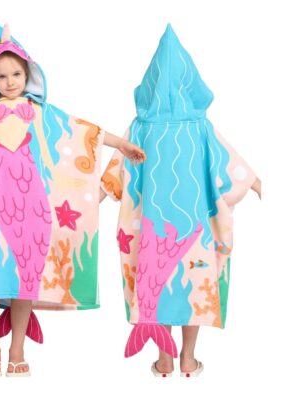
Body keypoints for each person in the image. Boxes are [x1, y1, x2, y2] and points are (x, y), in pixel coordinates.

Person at [0, 23, 146, 378]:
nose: (10, 82)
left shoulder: (39, 112)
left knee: (25, 276)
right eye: (1, 77)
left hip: (32, 208)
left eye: (16, 74)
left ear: (28, 74)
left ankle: (17, 347)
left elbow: (83, 130)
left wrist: (122, 144)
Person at [99, 24, 261, 377]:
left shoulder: (141, 126)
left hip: (149, 228)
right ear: (191, 83)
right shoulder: (199, 127)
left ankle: (164, 360)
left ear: (150, 84)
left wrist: (91, 198)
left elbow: (116, 172)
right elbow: (229, 166)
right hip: (194, 230)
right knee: (192, 287)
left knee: (154, 285)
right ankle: (188, 359)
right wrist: (256, 183)